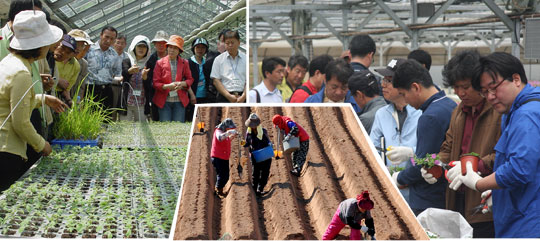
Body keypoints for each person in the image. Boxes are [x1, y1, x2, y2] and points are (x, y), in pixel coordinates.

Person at [449, 52, 540, 238]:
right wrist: (499, 192)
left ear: (516, 79)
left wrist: (479, 183)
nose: (490, 97)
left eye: (494, 88)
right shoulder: (512, 112)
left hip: (528, 221)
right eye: (484, 91)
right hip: (518, 211)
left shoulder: (526, 115)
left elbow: (519, 169)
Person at [0, 10, 67, 192]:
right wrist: (41, 144)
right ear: (38, 45)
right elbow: (20, 122)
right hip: (6, 151)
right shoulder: (21, 72)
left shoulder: (9, 62)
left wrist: (44, 99)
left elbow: (12, 101)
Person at [437, 50, 500, 238]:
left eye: (465, 87)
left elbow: (504, 155)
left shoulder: (498, 112)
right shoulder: (458, 111)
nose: (460, 93)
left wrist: (474, 166)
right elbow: (448, 147)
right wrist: (434, 164)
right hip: (458, 197)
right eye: (455, 87)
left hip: (485, 200)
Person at [388, 59, 457, 215]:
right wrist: (413, 154)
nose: (405, 101)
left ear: (415, 87)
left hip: (428, 200)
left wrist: (399, 178)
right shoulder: (449, 105)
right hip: (446, 196)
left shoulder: (430, 117)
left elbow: (424, 163)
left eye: (404, 94)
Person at [371, 58, 422, 203]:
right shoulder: (382, 114)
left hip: (416, 189)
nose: (383, 84)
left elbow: (432, 152)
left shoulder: (421, 113)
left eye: (389, 80)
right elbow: (372, 147)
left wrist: (411, 152)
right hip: (390, 190)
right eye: (383, 80)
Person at [152, 35, 193, 122]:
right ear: (167, 48)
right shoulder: (159, 63)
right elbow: (155, 82)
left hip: (179, 100)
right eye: (170, 47)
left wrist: (182, 84)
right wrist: (167, 86)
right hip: (164, 101)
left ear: (179, 51)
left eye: (175, 48)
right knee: (166, 127)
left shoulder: (184, 63)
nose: (172, 50)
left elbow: (190, 79)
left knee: (178, 127)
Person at [84, 25, 121, 113]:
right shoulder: (89, 50)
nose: (108, 41)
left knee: (105, 119)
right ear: (101, 35)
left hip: (106, 90)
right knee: (88, 118)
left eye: (112, 39)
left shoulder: (114, 55)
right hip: (90, 89)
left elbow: (117, 72)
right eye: (106, 37)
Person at [120, 35, 151, 122]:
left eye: (144, 47)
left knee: (142, 128)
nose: (141, 49)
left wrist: (145, 78)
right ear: (134, 47)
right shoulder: (127, 61)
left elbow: (150, 85)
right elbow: (124, 73)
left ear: (147, 49)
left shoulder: (149, 63)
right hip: (127, 101)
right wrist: (130, 71)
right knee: (125, 128)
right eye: (139, 46)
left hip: (141, 102)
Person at [210, 29, 246, 103]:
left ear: (239, 43)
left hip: (243, 97)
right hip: (224, 97)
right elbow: (216, 81)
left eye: (232, 42)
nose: (230, 45)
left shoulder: (246, 59)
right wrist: (228, 96)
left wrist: (243, 96)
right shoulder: (218, 59)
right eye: (227, 43)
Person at [243, 113, 272, 196]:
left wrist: (270, 145)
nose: (252, 127)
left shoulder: (263, 132)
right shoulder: (248, 133)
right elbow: (247, 143)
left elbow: (268, 142)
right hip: (255, 156)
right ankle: (255, 189)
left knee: (265, 172)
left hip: (265, 154)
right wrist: (243, 143)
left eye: (253, 125)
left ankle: (260, 188)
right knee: (255, 173)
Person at [186, 37, 215, 122]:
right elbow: (186, 80)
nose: (200, 50)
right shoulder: (188, 63)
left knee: (203, 119)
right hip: (192, 97)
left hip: (205, 96)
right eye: (197, 47)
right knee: (192, 119)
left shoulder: (207, 62)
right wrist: (191, 95)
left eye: (203, 47)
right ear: (193, 48)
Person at [145, 30, 169, 121]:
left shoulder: (174, 58)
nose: (161, 45)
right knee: (157, 118)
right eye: (158, 43)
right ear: (154, 44)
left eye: (164, 43)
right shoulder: (151, 60)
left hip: (171, 94)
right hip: (156, 94)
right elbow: (149, 79)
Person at [211, 118, 238, 197]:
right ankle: (218, 190)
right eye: (229, 128)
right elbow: (220, 138)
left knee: (225, 175)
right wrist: (229, 132)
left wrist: (232, 136)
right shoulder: (218, 131)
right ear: (225, 127)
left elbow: (226, 140)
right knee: (222, 175)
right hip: (218, 157)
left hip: (224, 157)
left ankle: (219, 189)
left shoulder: (223, 132)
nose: (231, 129)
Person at [52, 34, 80, 106]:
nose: (63, 53)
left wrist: (70, 101)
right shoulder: (48, 57)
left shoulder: (76, 66)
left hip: (58, 96)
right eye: (62, 48)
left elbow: (66, 89)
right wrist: (57, 79)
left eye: (68, 52)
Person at [67, 29, 93, 101]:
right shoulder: (60, 57)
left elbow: (81, 87)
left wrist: (78, 103)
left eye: (85, 49)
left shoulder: (83, 64)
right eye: (78, 45)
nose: (81, 50)